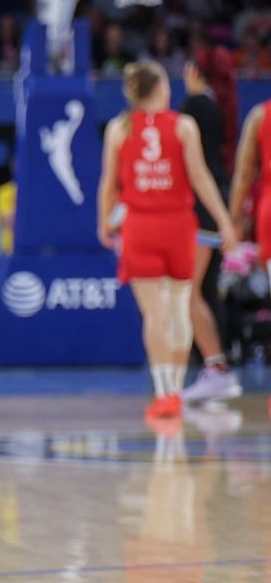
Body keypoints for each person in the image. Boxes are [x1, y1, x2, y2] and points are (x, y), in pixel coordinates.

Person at [98, 60, 237, 422]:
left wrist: (103, 222)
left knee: (154, 314)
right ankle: (176, 388)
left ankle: (164, 393)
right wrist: (224, 220)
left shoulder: (119, 127)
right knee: (178, 309)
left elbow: (109, 184)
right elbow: (201, 177)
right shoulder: (183, 126)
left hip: (140, 227)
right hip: (178, 226)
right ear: (160, 88)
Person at [179, 48, 240, 403]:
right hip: (214, 203)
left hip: (200, 207)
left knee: (189, 291)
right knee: (202, 289)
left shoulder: (195, 107)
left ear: (195, 71)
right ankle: (213, 366)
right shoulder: (219, 105)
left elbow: (193, 167)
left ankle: (216, 367)